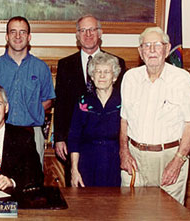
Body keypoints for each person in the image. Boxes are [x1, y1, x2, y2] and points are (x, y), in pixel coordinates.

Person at [119, 27, 190, 204]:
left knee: (167, 215)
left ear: (167, 48)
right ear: (140, 51)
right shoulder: (130, 78)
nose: (152, 50)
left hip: (169, 159)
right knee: (132, 212)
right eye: (147, 45)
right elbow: (124, 119)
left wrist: (178, 161)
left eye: (157, 45)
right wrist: (123, 152)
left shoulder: (181, 79)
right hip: (135, 161)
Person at [53, 15, 126, 185]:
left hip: (111, 148)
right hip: (78, 144)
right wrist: (59, 138)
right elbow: (61, 105)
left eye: (92, 29)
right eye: (83, 30)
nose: (88, 34)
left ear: (100, 33)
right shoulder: (65, 64)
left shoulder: (117, 63)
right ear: (77, 35)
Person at [0, 16, 55, 167]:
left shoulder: (41, 68)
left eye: (22, 32)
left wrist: (33, 111)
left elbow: (48, 99)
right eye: (13, 32)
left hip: (32, 133)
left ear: (29, 37)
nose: (18, 36)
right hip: (0, 133)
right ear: (7, 37)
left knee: (32, 183)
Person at [68, 52, 121, 187]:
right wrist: (74, 170)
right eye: (98, 72)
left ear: (114, 77)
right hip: (87, 161)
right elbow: (74, 138)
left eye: (107, 72)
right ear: (92, 76)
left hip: (115, 162)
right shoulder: (83, 102)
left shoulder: (123, 101)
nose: (102, 76)